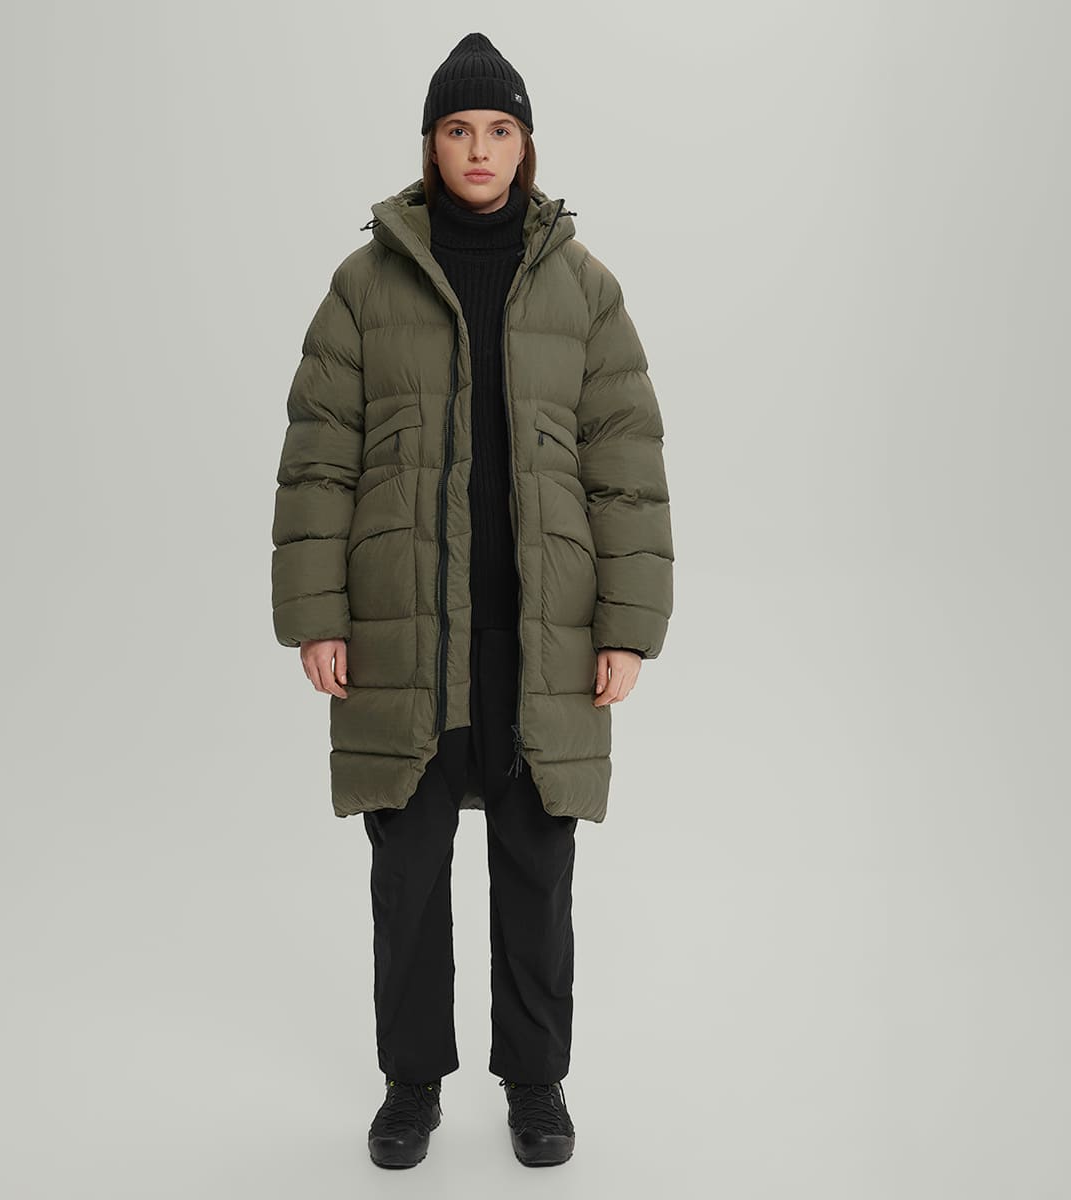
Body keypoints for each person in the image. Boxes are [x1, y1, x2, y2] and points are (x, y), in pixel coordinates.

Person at [270, 32, 674, 1170]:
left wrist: (626, 628)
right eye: (459, 129)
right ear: (431, 144)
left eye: (500, 129)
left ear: (526, 144)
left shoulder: (586, 291)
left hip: (542, 636)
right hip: (406, 633)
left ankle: (537, 1086)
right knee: (408, 873)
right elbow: (317, 461)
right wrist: (318, 614)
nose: (480, 149)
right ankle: (411, 1086)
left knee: (537, 872)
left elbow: (626, 467)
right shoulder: (364, 287)